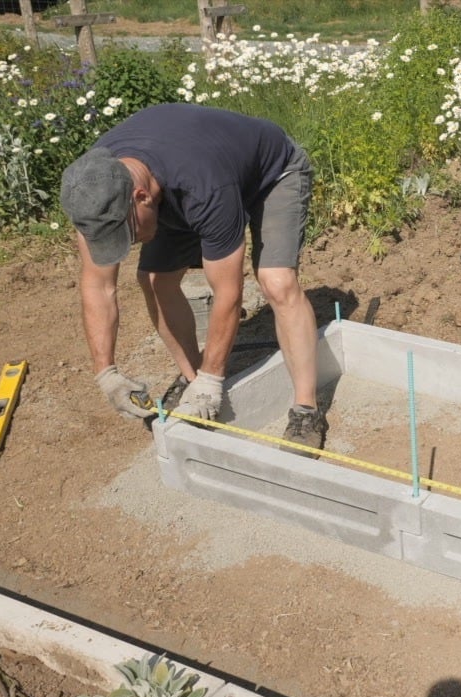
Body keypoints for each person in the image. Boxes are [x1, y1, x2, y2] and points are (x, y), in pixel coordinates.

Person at [60, 103, 328, 454]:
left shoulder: (204, 186)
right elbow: (98, 286)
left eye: (128, 234)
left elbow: (228, 294)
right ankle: (191, 380)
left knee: (277, 282)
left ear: (141, 197)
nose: (129, 245)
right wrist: (106, 373)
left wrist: (213, 380)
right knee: (155, 280)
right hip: (177, 188)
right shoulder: (94, 192)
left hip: (271, 175)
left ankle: (306, 410)